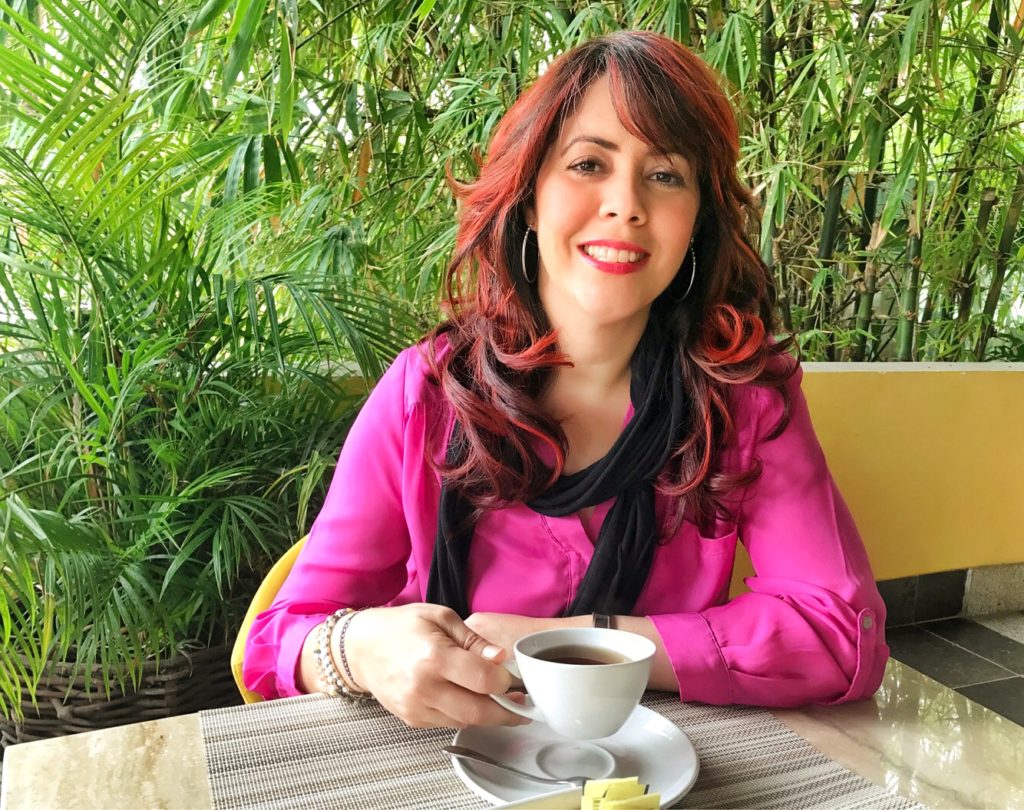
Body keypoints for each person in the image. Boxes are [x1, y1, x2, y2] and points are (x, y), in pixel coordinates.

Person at [243, 30, 889, 730]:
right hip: (435, 759)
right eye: (588, 164)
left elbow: (837, 633)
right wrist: (361, 650)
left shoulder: (742, 400)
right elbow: (278, 642)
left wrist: (575, 644)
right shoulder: (425, 394)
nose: (625, 204)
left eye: (665, 175)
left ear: (696, 219)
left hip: (649, 766)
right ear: (529, 197)